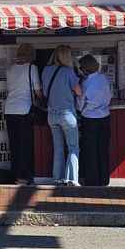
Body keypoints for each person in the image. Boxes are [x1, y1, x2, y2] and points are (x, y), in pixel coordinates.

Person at [43, 44, 83, 186]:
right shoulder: (68, 71)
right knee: (72, 147)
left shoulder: (46, 71)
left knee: (58, 147)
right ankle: (71, 178)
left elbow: (45, 92)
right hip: (67, 113)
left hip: (52, 114)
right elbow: (78, 91)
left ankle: (58, 178)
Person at [4, 43, 43, 184]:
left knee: (14, 145)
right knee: (25, 145)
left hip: (9, 110)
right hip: (24, 110)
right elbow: (37, 91)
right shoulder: (32, 68)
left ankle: (14, 175)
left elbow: (9, 89)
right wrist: (45, 100)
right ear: (32, 55)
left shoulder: (10, 69)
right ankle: (22, 177)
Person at [77, 54, 112, 186]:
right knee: (103, 150)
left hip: (90, 118)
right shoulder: (104, 78)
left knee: (90, 151)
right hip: (105, 116)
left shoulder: (85, 83)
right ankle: (104, 179)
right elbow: (110, 93)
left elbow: (80, 104)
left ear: (84, 68)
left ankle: (92, 181)